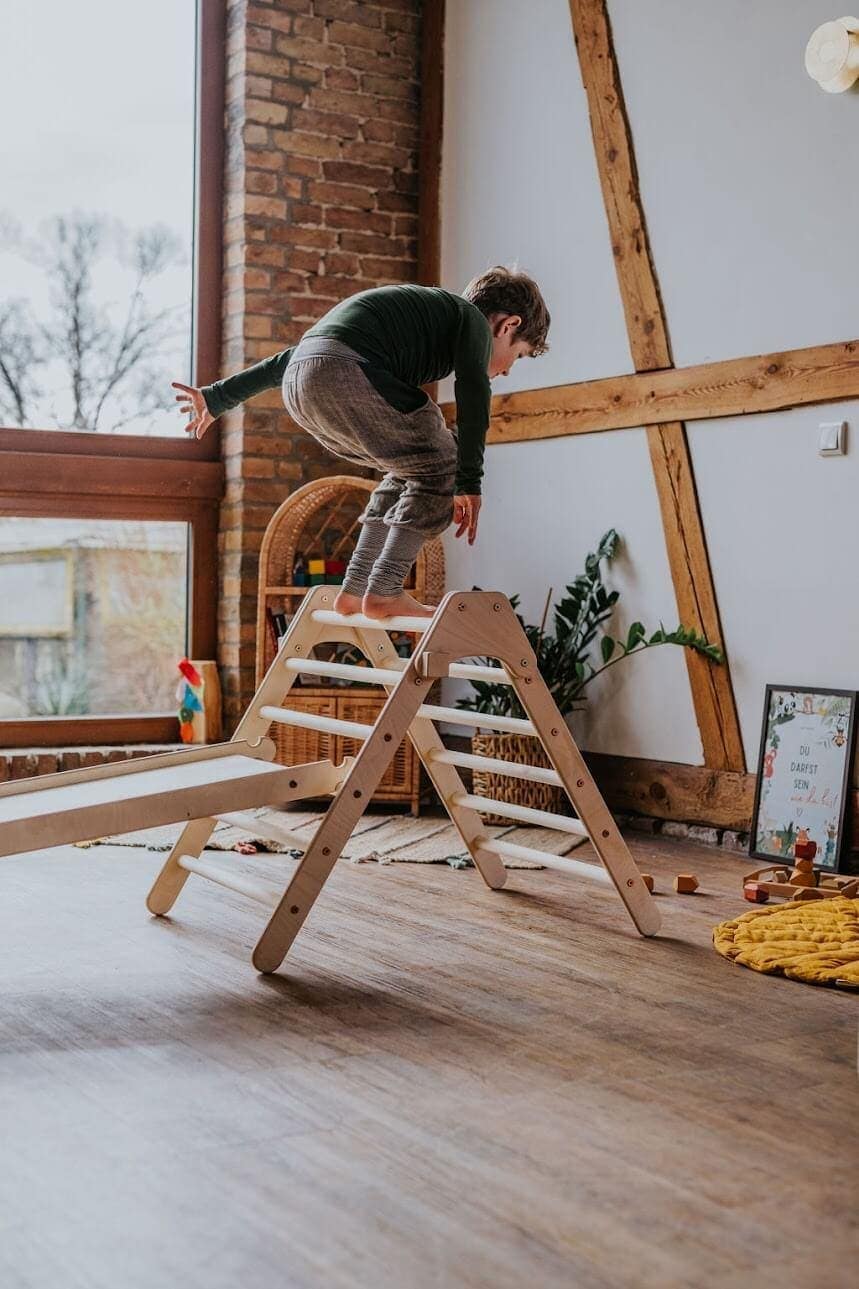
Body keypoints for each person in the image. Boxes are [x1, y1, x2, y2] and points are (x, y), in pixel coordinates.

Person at [174, 265, 550, 620]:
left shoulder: (426, 315)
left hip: (302, 385)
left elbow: (292, 359)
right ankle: (385, 589)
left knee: (411, 468)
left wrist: (219, 396)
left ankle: (355, 589)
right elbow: (473, 395)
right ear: (507, 325)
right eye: (516, 356)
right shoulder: (471, 322)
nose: (507, 370)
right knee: (442, 461)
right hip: (344, 373)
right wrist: (469, 482)